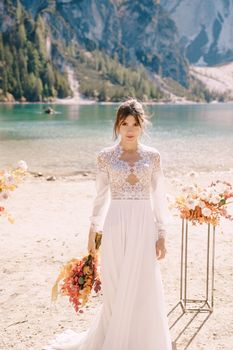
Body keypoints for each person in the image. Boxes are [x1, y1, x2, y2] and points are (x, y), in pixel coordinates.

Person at [43, 98, 173, 350]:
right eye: (125, 123)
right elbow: (100, 197)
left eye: (135, 123)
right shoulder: (106, 157)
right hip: (115, 225)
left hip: (143, 226)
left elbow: (158, 198)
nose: (130, 129)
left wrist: (162, 234)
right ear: (118, 125)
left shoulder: (153, 157)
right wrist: (93, 230)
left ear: (142, 125)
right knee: (116, 285)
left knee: (144, 284)